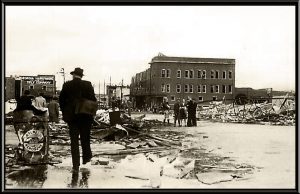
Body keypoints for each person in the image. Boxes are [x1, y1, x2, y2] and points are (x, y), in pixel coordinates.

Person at [59, 67, 97, 171]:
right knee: (85, 140)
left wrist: (66, 113)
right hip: (85, 117)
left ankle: (76, 165)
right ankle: (86, 161)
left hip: (72, 118)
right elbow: (93, 100)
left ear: (73, 75)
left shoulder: (67, 85)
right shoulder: (88, 84)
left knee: (74, 141)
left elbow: (61, 101)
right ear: (81, 75)